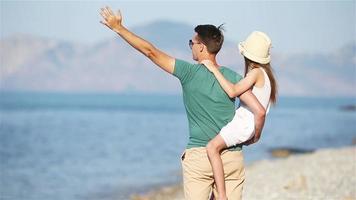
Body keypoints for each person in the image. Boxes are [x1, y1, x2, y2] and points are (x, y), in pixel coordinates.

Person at [99, 7, 266, 200]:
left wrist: (119, 28)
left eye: (192, 42)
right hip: (231, 157)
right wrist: (254, 137)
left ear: (202, 47)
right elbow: (258, 111)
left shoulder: (188, 72)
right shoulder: (233, 78)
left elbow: (150, 51)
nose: (191, 46)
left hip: (200, 157)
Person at [201, 31, 278, 200]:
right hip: (248, 126)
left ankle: (221, 196)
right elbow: (262, 111)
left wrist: (214, 69)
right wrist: (256, 134)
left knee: (212, 147)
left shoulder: (256, 73)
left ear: (248, 55)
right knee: (220, 153)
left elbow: (233, 91)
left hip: (244, 124)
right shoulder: (267, 76)